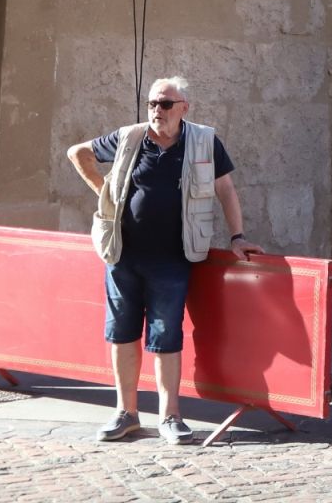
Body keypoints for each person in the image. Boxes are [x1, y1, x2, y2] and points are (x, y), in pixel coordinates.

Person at [65, 77, 264, 443]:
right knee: (122, 334)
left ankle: (170, 417)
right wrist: (105, 194)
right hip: (123, 254)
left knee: (165, 336)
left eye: (166, 104)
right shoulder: (131, 137)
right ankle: (126, 413)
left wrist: (238, 237)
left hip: (173, 258)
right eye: (153, 103)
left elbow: (226, 190)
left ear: (184, 108)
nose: (158, 110)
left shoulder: (204, 140)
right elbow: (78, 153)